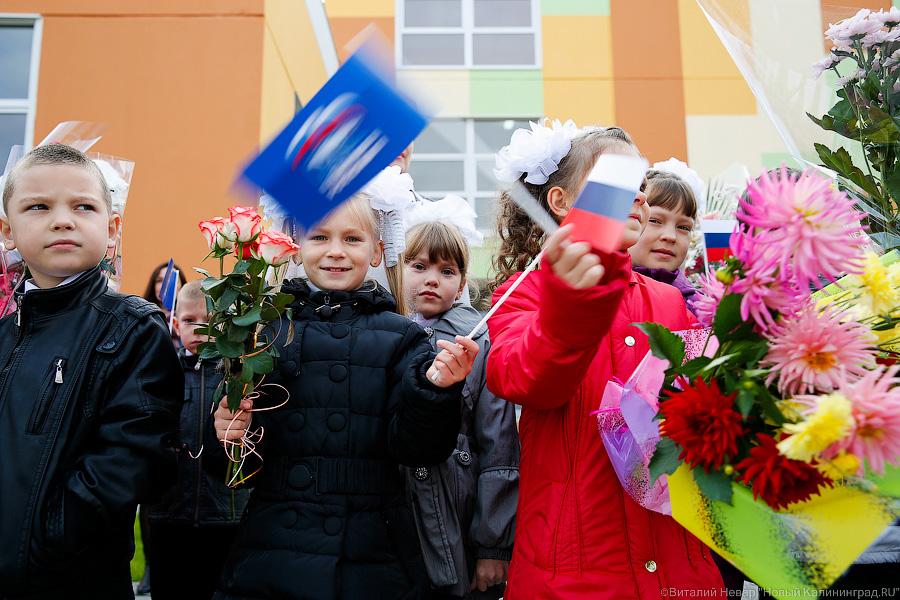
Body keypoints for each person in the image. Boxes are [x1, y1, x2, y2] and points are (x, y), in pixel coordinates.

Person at [486, 124, 724, 598]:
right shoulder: (521, 295)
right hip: (575, 570)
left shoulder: (670, 301)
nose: (637, 196)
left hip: (677, 564)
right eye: (616, 178)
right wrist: (572, 301)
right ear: (560, 201)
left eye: (639, 183)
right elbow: (524, 378)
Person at [209, 195, 479, 599]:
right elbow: (236, 468)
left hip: (371, 547)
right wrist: (231, 434)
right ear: (298, 247)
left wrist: (435, 392)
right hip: (273, 542)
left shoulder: (402, 337)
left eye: (352, 239)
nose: (336, 251)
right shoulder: (263, 332)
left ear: (377, 252)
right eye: (321, 237)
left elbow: (416, 448)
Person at [0, 143, 181, 598]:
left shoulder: (132, 326)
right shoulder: (5, 332)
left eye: (83, 206)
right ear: (8, 230)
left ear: (112, 226)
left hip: (71, 580)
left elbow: (132, 458)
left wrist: (47, 538)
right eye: (38, 206)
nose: (63, 219)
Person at [402, 221, 519, 599]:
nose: (432, 279)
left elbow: (498, 444)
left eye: (446, 271)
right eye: (419, 267)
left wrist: (493, 545)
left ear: (463, 280)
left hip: (458, 510)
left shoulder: (479, 341)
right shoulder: (386, 333)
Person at [145, 280, 251, 600]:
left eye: (209, 322)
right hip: (168, 513)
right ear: (176, 323)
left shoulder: (236, 376)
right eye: (190, 321)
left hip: (224, 513)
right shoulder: (161, 372)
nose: (200, 330)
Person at [628, 169, 699, 313]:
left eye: (683, 227)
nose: (670, 236)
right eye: (655, 220)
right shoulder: (602, 294)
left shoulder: (700, 309)